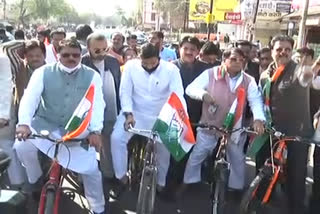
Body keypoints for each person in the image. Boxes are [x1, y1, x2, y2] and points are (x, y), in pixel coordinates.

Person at [14, 39, 106, 214]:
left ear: (81, 56)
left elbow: (98, 104)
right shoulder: (43, 72)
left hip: (77, 131)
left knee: (92, 171)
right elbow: (30, 98)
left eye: (75, 55)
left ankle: (98, 208)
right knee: (21, 146)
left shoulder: (92, 75)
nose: (71, 58)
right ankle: (36, 179)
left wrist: (95, 130)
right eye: (66, 55)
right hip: (44, 125)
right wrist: (24, 124)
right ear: (58, 55)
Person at [182, 47, 265, 192]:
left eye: (241, 60)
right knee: (197, 155)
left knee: (237, 159)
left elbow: (255, 101)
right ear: (224, 60)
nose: (238, 62)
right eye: (233, 59)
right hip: (210, 124)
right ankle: (189, 182)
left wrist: (258, 119)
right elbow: (190, 88)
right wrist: (203, 95)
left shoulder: (248, 80)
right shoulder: (211, 73)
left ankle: (235, 188)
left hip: (235, 126)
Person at [110, 43, 185, 198]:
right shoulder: (131, 67)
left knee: (164, 149)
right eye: (145, 63)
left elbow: (177, 95)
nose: (149, 66)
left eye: (153, 63)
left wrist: (176, 116)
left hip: (162, 114)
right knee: (117, 139)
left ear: (159, 58)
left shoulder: (171, 70)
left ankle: (160, 183)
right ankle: (121, 178)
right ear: (139, 58)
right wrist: (128, 113)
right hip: (135, 113)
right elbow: (125, 92)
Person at [257, 35, 316, 214]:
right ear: (272, 50)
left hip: (296, 133)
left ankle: (296, 208)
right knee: (264, 169)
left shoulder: (298, 70)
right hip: (272, 130)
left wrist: (308, 72)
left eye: (288, 49)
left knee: (296, 175)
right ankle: (260, 203)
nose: (283, 52)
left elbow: (306, 78)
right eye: (279, 49)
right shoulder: (266, 73)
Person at [82, 32, 121, 180]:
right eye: (97, 50)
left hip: (110, 111)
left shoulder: (113, 62)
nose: (102, 53)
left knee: (108, 146)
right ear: (88, 48)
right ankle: (84, 177)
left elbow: (119, 86)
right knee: (86, 146)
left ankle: (108, 175)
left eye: (105, 49)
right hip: (88, 114)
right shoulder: (82, 63)